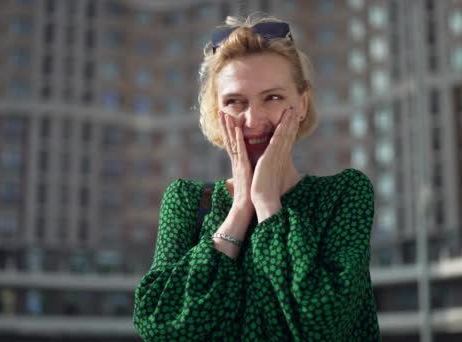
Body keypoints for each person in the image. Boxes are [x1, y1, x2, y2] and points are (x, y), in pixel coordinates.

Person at [133, 14, 381, 341]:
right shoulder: (187, 201)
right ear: (215, 112)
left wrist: (267, 204)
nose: (253, 120)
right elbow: (159, 325)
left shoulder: (344, 194)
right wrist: (239, 211)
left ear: (302, 104)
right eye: (235, 102)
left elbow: (323, 324)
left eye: (273, 97)